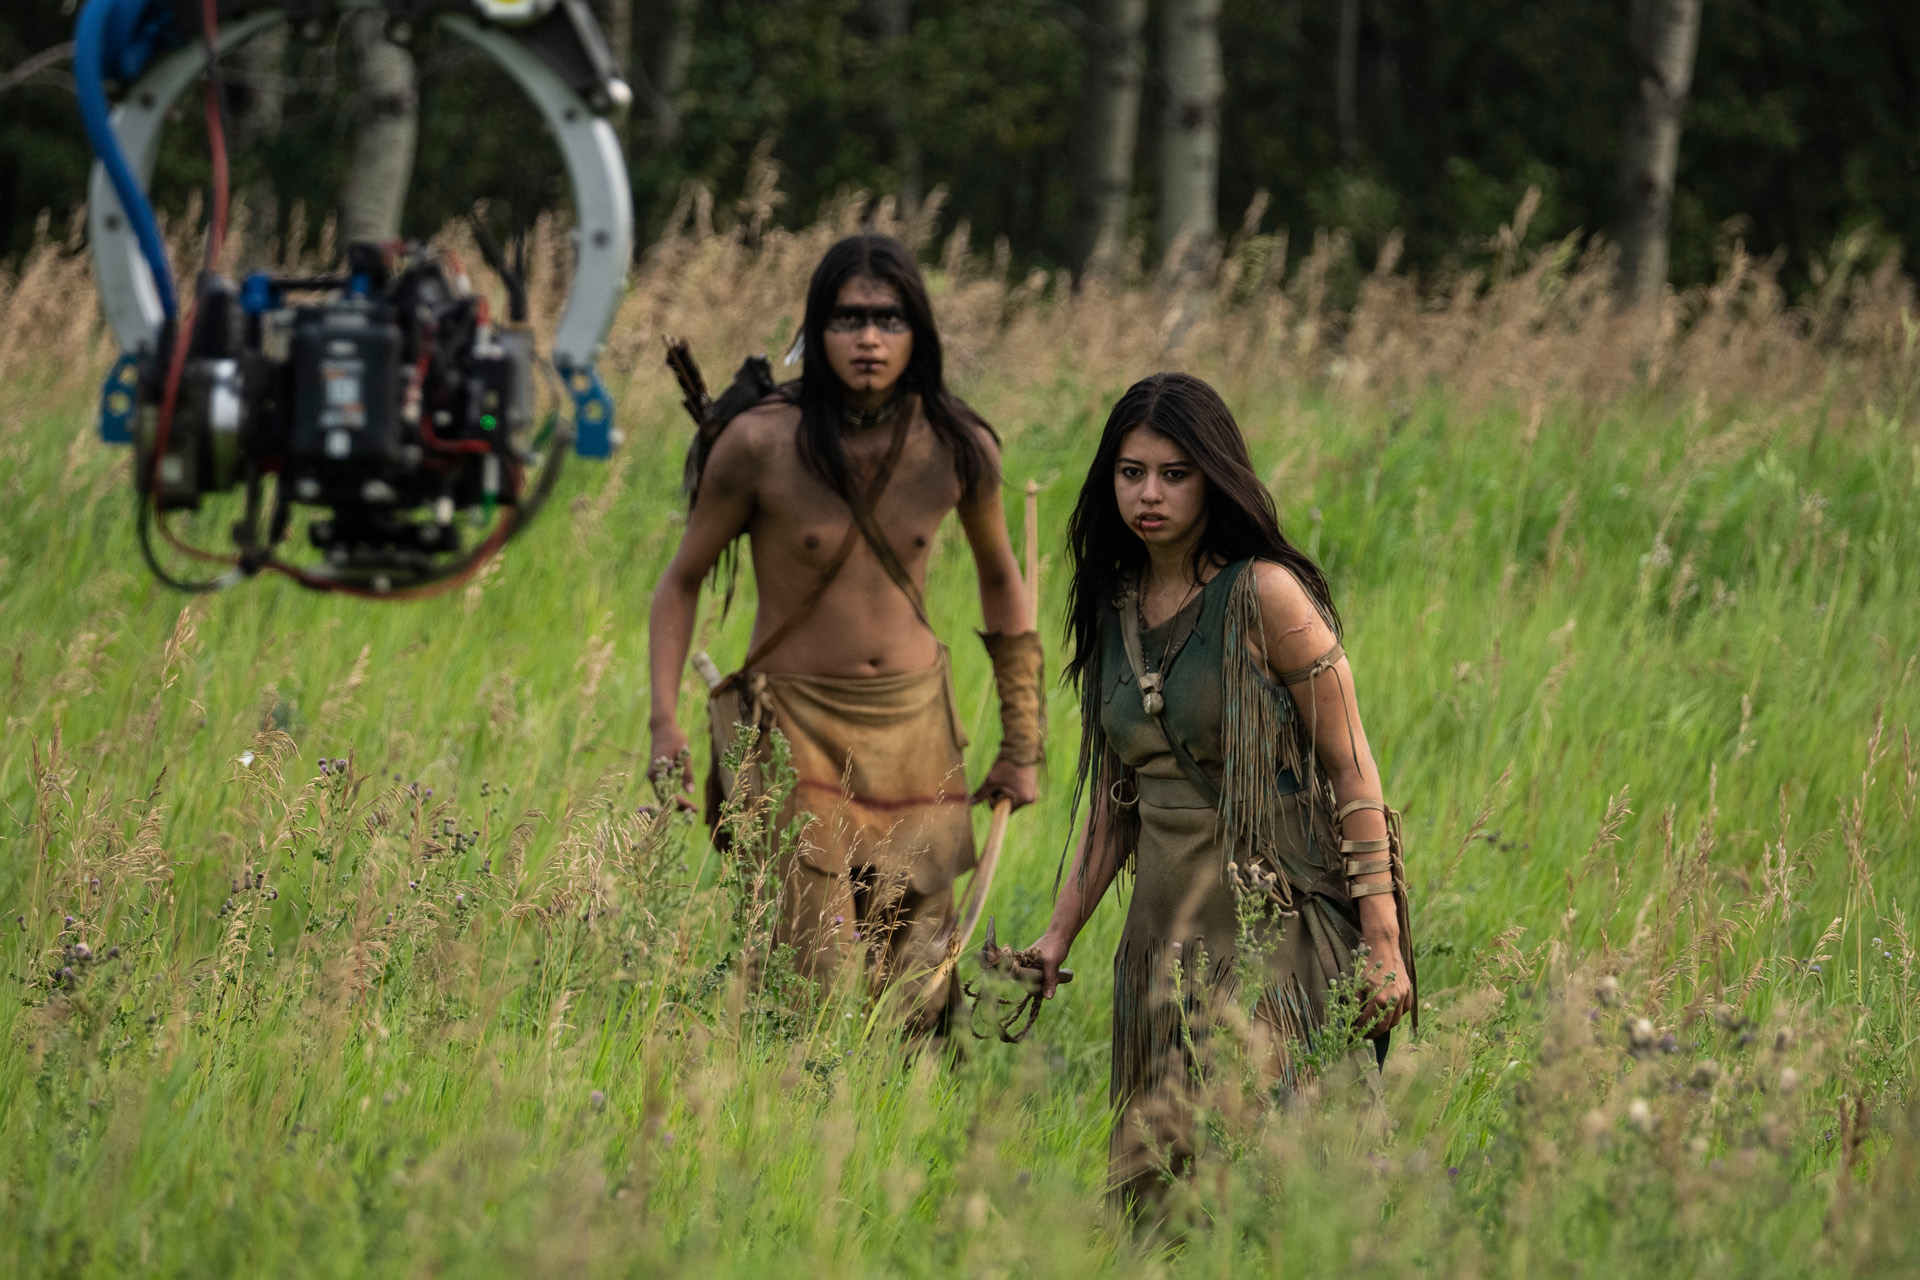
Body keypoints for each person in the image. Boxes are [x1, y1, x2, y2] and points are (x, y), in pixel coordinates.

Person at [1023, 372, 1415, 1212]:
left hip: (1275, 939)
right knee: (1162, 1199)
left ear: (1214, 478)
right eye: (1131, 473)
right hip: (1161, 948)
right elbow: (1116, 801)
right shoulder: (1111, 605)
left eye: (1175, 474)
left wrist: (1383, 943)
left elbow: (1353, 772)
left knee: (1289, 1188)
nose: (1150, 495)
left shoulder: (1265, 595)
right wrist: (1058, 935)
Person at [648, 234, 1042, 1036]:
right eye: (848, 318)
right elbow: (680, 581)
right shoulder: (758, 443)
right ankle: (789, 1112)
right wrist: (663, 722)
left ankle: (905, 1115)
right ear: (815, 330)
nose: (869, 338)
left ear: (918, 332)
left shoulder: (958, 446)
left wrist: (1022, 740)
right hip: (792, 735)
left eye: (889, 319)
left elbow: (1004, 582)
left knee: (918, 990)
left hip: (916, 736)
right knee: (808, 979)